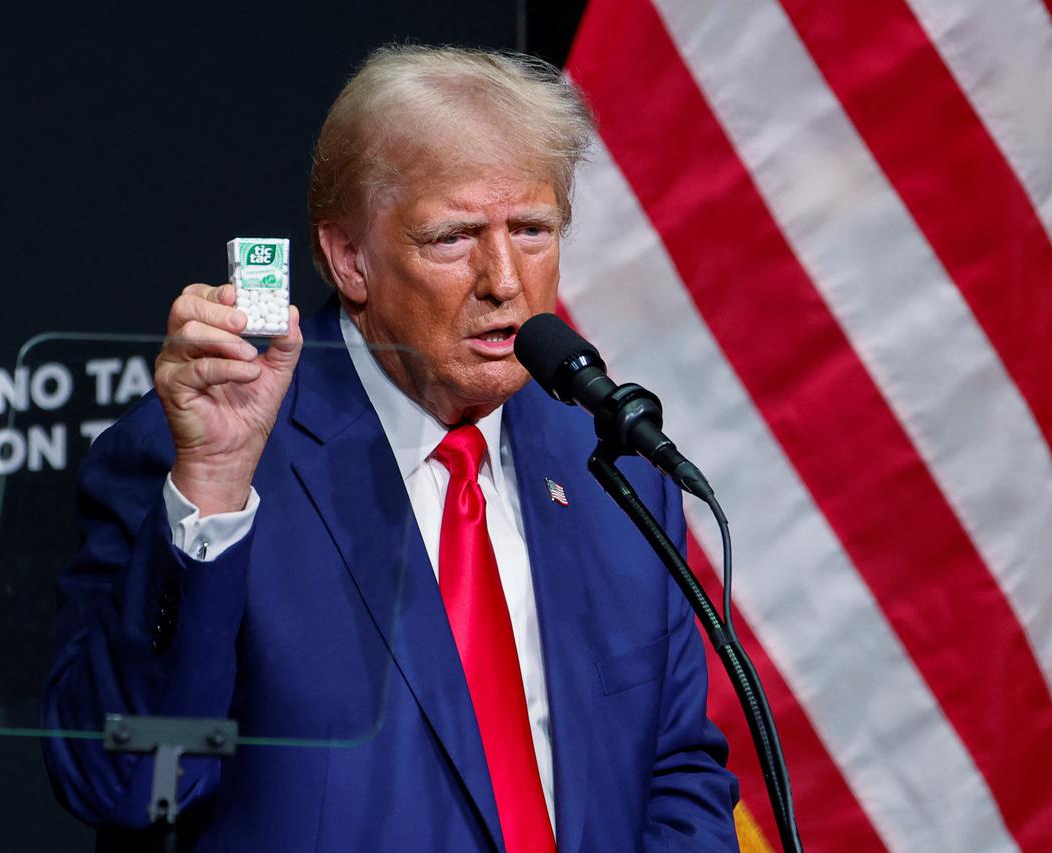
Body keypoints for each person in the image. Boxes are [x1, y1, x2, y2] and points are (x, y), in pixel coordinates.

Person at [43, 45, 739, 852]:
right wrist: (212, 489)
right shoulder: (202, 460)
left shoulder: (610, 462)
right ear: (349, 258)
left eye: (533, 230)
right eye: (453, 238)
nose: (504, 279)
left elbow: (676, 768)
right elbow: (120, 785)